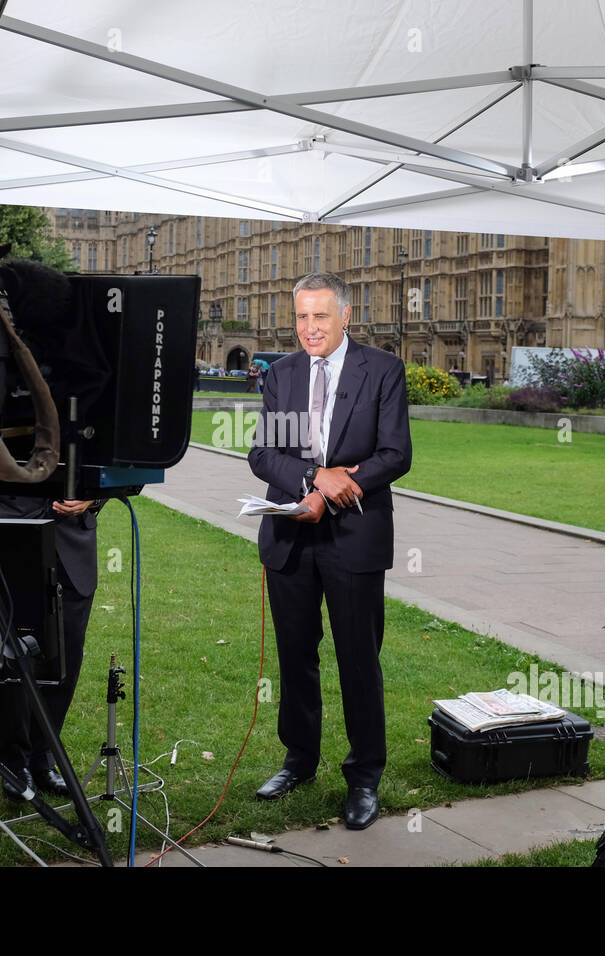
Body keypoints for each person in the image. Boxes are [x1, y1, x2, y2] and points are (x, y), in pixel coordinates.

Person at [247, 272, 411, 829]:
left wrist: (341, 490)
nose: (310, 328)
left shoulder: (383, 370)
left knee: (358, 661)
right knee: (296, 657)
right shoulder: (282, 375)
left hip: (354, 537)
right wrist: (315, 480)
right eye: (301, 317)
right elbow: (263, 455)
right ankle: (299, 759)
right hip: (291, 534)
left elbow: (395, 454)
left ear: (346, 316)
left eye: (320, 316)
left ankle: (364, 776)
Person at [0, 496, 100, 799]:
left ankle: (43, 759)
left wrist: (92, 498)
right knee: (7, 657)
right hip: (6, 536)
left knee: (65, 658)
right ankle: (13, 763)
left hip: (72, 545)